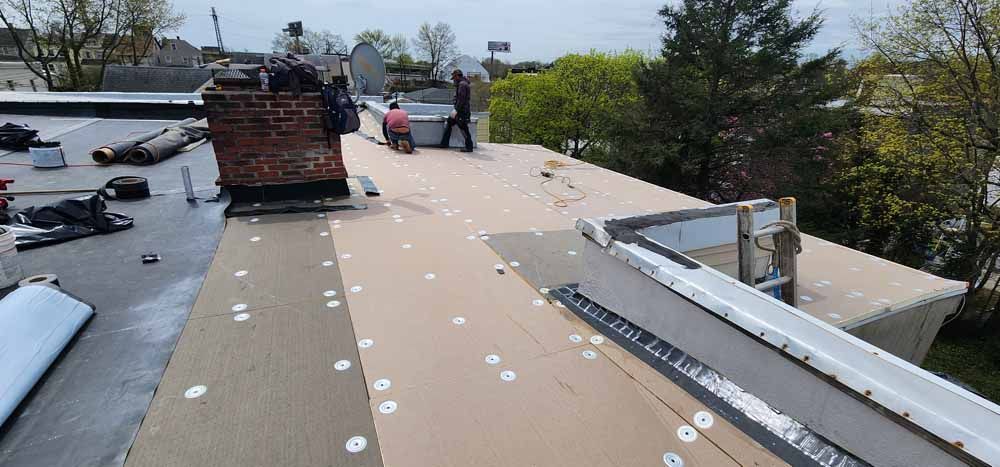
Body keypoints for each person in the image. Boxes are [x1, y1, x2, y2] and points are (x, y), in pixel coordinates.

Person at [439, 69, 474, 152]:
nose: (454, 80)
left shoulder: (462, 85)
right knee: (450, 122)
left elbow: (461, 100)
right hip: (461, 110)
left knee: (464, 129)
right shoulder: (463, 84)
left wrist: (456, 110)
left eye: (454, 78)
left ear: (457, 76)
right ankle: (444, 144)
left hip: (462, 111)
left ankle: (469, 147)